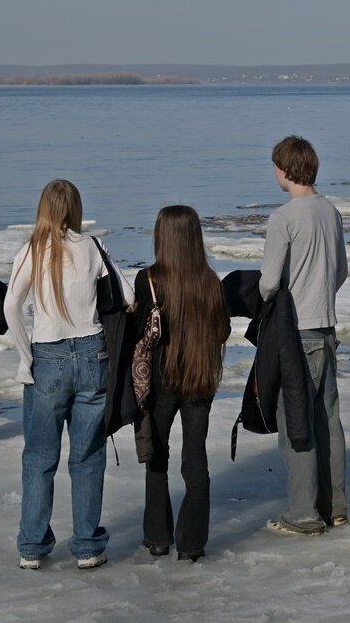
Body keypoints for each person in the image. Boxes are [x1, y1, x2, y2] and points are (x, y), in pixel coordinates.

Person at [5, 179, 134, 571]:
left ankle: (32, 546)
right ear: (76, 208)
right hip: (93, 354)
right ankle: (88, 546)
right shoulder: (92, 246)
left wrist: (25, 357)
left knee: (39, 457)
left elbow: (11, 306)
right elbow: (128, 296)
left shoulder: (32, 249)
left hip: (48, 356)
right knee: (88, 455)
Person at [126, 205, 230, 561]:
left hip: (159, 381)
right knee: (195, 458)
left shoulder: (148, 280)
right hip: (199, 378)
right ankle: (192, 543)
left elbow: (138, 332)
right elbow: (222, 331)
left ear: (163, 237)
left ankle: (157, 537)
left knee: (157, 456)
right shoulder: (210, 281)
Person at [260, 135, 350, 535]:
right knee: (327, 419)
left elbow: (268, 282)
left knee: (295, 423)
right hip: (327, 327)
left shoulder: (283, 218)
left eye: (274, 167)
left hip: (296, 334)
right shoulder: (331, 211)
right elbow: (341, 271)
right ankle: (335, 506)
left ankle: (302, 513)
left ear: (284, 170)